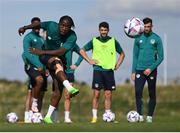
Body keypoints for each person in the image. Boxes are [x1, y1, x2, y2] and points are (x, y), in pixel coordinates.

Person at [18, 15, 80, 123]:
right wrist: (25, 27)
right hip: (45, 57)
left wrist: (42, 52)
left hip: (54, 56)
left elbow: (61, 52)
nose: (64, 28)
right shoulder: (51, 25)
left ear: (71, 27)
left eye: (67, 26)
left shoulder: (72, 36)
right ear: (58, 24)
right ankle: (69, 87)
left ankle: (48, 116)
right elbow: (38, 24)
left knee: (58, 90)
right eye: (62, 25)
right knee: (57, 63)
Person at [80, 22, 125, 123]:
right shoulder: (94, 41)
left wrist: (118, 64)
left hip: (109, 71)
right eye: (102, 30)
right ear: (99, 30)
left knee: (108, 94)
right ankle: (94, 117)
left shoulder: (113, 41)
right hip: (98, 70)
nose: (103, 32)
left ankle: (108, 115)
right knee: (96, 94)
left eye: (105, 30)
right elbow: (82, 50)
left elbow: (122, 54)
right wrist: (89, 60)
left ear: (108, 30)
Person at [131, 17, 164, 123]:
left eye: (148, 26)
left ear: (152, 26)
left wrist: (151, 68)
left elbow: (161, 57)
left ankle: (149, 116)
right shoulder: (137, 38)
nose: (146, 28)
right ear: (142, 26)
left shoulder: (157, 39)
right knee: (138, 92)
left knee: (151, 93)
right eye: (145, 26)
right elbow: (135, 56)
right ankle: (140, 115)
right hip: (139, 69)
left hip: (151, 70)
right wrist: (133, 71)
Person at [21, 17, 48, 122]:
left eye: (38, 25)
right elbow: (27, 53)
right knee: (33, 89)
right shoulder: (28, 37)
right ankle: (27, 115)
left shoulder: (42, 39)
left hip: (42, 68)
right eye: (34, 25)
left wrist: (45, 68)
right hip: (31, 66)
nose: (37, 27)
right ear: (31, 26)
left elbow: (44, 55)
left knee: (41, 93)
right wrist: (38, 65)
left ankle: (37, 116)